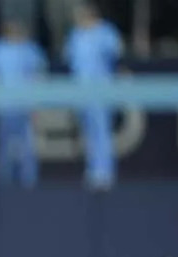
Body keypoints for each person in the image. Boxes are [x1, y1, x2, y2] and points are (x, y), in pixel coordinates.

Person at [63, 1, 123, 191]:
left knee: (101, 130)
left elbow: (117, 54)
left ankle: (105, 173)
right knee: (88, 132)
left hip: (101, 89)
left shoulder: (106, 32)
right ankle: (92, 170)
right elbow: (70, 59)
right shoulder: (76, 35)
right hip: (81, 90)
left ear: (90, 15)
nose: (76, 19)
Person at [0, 20, 48, 188]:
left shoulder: (30, 50)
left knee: (27, 146)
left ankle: (29, 181)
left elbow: (38, 77)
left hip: (25, 106)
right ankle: (4, 181)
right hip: (3, 106)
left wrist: (36, 104)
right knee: (4, 146)